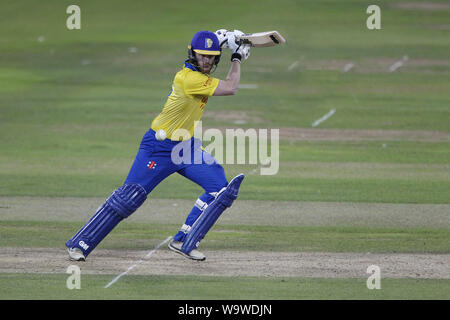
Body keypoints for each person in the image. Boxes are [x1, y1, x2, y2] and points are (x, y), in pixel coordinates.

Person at [66, 30, 250, 261]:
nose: (207, 60)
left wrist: (224, 43)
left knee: (220, 190)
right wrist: (237, 57)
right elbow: (231, 87)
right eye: (202, 56)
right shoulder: (188, 78)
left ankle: (184, 239)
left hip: (186, 147)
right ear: (192, 54)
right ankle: (80, 244)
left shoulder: (201, 77)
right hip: (159, 148)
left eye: (211, 56)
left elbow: (219, 72)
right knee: (128, 199)